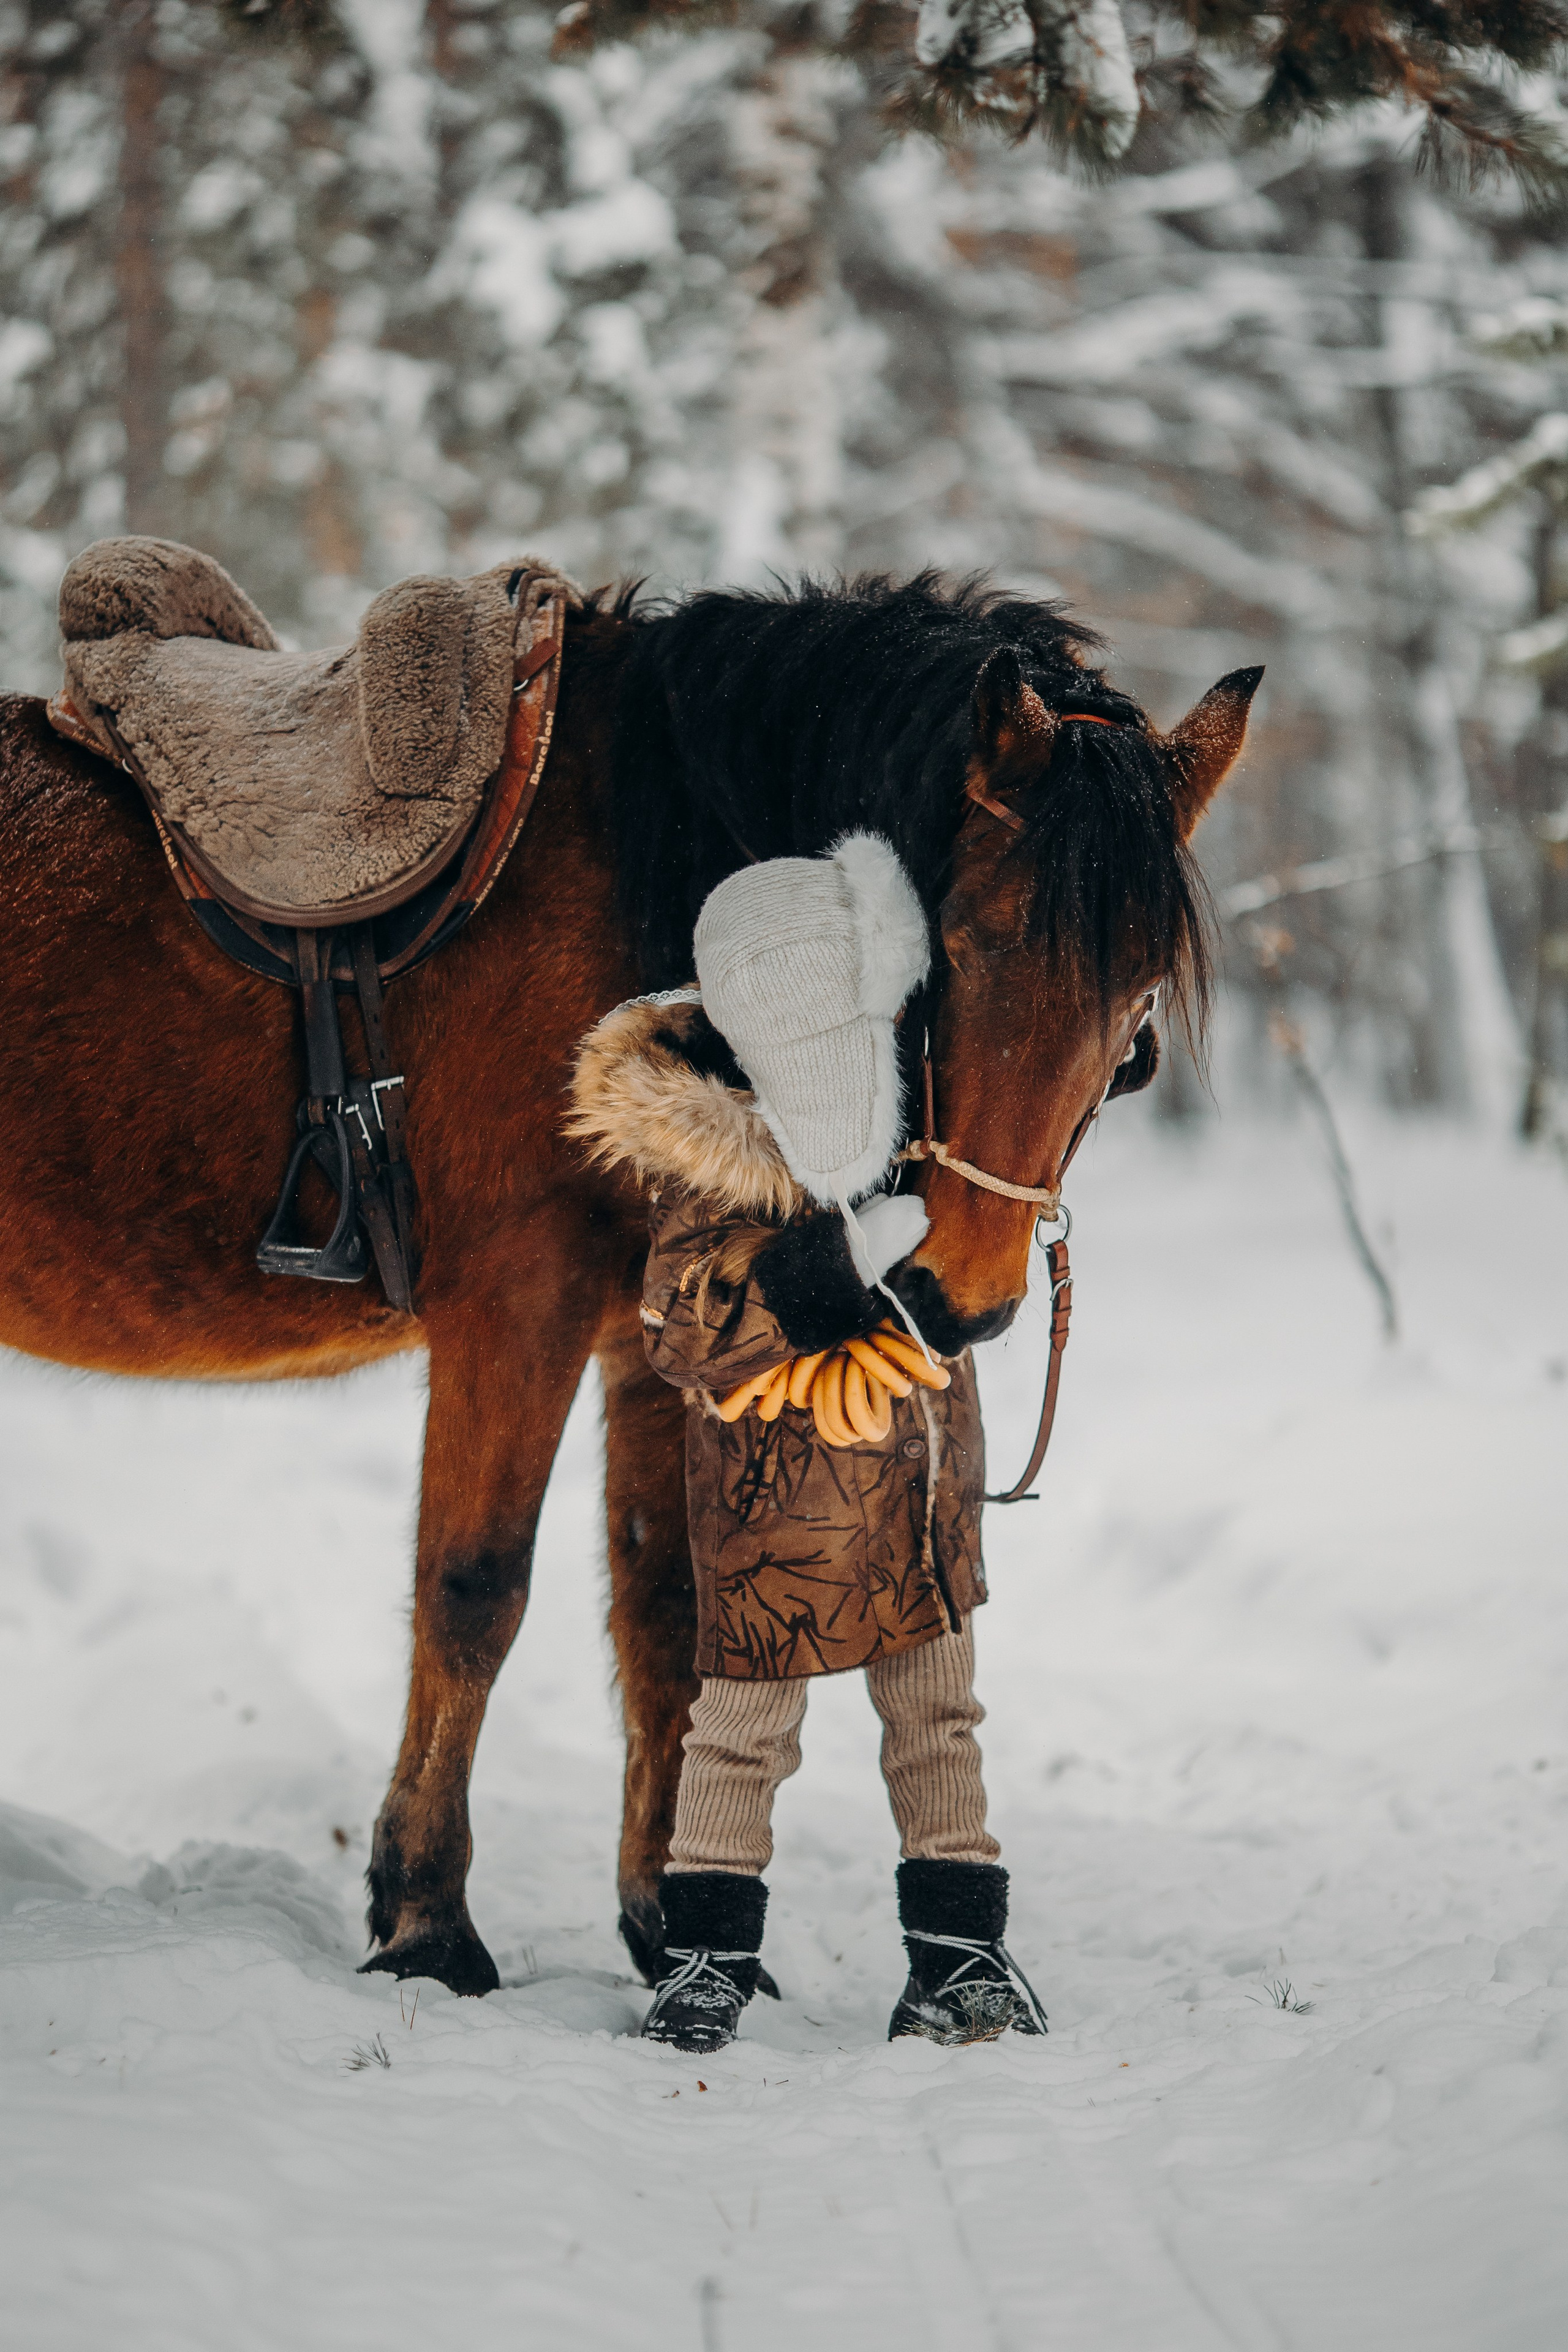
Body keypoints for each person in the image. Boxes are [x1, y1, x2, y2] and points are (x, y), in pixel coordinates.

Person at [569, 832, 1046, 2055]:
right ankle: (707, 1958)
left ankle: (959, 1954)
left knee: (937, 1720)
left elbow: (1017, 1129)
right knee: (737, 1732)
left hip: (914, 1488)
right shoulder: (716, 1160)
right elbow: (684, 1324)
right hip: (767, 1512)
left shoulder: (922, 1122)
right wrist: (835, 1267)